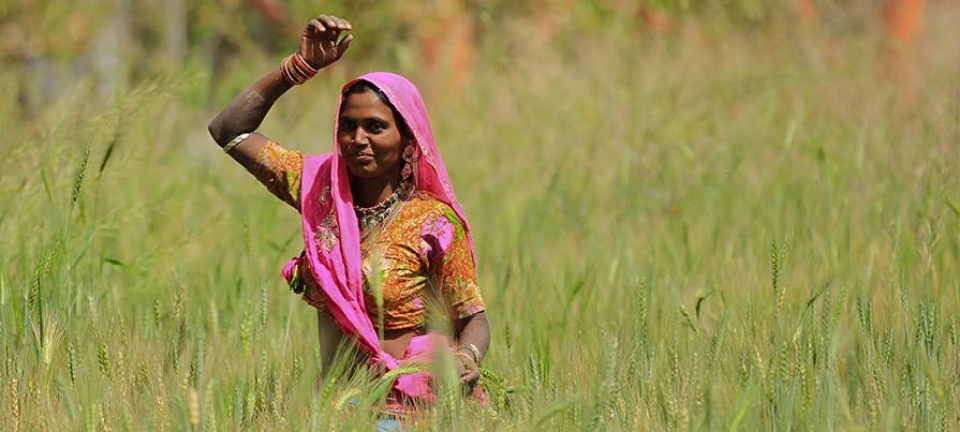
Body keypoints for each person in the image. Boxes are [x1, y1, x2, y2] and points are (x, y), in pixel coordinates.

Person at [207, 13, 490, 410]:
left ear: (408, 139)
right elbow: (229, 130)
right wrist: (297, 67)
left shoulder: (433, 223)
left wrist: (467, 356)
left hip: (411, 410)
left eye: (375, 126)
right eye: (348, 125)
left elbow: (472, 318)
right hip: (340, 408)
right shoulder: (318, 190)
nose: (359, 139)